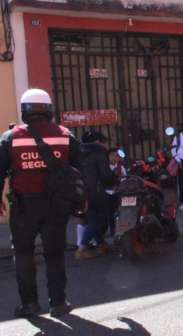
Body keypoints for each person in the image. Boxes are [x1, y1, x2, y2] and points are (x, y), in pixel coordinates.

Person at [0, 89, 80, 318]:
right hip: (56, 206)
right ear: (49, 109)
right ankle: (58, 303)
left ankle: (30, 304)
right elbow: (79, 169)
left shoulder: (11, 137)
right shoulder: (65, 134)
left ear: (24, 110)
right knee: (54, 254)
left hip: (24, 206)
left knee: (23, 253)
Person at [76, 130, 116, 259]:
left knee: (94, 218)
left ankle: (100, 244)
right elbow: (105, 174)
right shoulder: (99, 152)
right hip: (97, 191)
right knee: (100, 219)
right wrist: (115, 178)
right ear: (98, 142)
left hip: (82, 192)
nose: (105, 145)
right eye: (104, 142)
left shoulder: (79, 153)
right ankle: (82, 248)